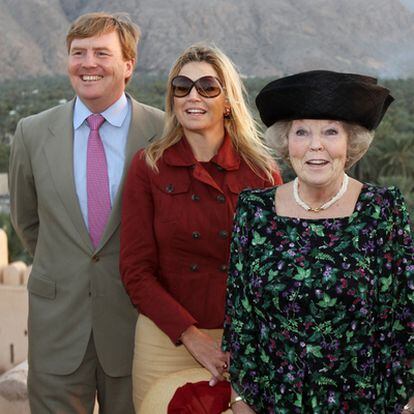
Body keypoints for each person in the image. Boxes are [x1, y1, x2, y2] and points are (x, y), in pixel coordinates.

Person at [223, 70, 414, 413]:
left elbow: (404, 317)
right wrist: (239, 400)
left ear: (350, 142)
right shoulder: (254, 210)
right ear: (286, 141)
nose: (316, 145)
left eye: (330, 131)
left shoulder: (383, 210)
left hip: (365, 403)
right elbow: (241, 321)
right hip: (274, 403)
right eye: (301, 131)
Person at [9, 12, 164, 414]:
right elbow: (28, 221)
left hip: (136, 328)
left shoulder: (163, 133)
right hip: (57, 327)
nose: (88, 63)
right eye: (78, 52)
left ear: (128, 65)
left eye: (101, 52)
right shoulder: (31, 132)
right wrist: (64, 262)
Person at [120, 43, 282, 410]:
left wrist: (248, 343)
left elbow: (270, 272)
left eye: (207, 86)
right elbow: (135, 269)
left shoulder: (261, 174)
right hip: (167, 339)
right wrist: (190, 335)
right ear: (173, 99)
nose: (193, 95)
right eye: (182, 86)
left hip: (239, 342)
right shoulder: (149, 166)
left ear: (227, 101)